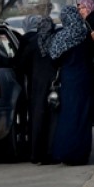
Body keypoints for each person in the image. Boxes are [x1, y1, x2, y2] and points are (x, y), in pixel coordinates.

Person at [47, 6, 94, 165]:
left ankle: (65, 152)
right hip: (84, 79)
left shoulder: (61, 37)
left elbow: (54, 59)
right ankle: (81, 154)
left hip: (68, 80)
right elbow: (92, 58)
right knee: (82, 115)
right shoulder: (85, 35)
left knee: (67, 115)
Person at [14, 15, 57, 164]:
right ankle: (51, 152)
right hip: (54, 85)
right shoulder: (57, 42)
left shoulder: (33, 43)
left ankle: (36, 153)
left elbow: (20, 64)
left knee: (38, 118)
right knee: (52, 119)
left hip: (37, 85)